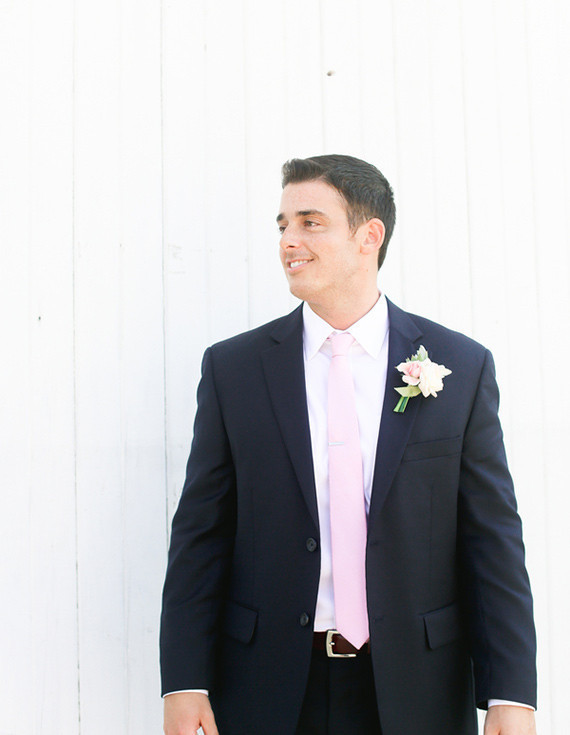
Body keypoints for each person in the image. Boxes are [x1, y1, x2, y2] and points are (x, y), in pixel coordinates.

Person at [160, 155, 537, 735]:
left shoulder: (460, 366)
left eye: (310, 222)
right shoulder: (234, 369)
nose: (288, 240)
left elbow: (491, 540)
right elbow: (200, 536)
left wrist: (511, 694)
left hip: (419, 689)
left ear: (369, 236)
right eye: (283, 225)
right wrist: (185, 682)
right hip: (266, 685)